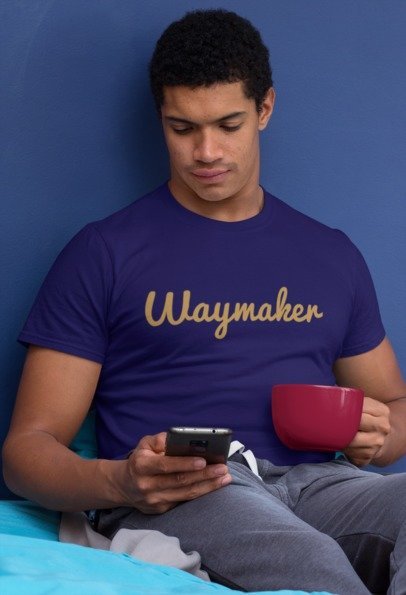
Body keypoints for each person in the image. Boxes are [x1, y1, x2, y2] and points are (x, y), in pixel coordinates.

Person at [2, 8, 406, 594]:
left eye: (228, 124)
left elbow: (393, 403)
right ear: (161, 120)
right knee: (310, 561)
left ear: (265, 108)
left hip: (321, 481)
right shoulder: (103, 252)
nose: (206, 151)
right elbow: (25, 449)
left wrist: (381, 437)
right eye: (182, 128)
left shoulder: (331, 254)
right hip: (193, 490)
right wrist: (120, 483)